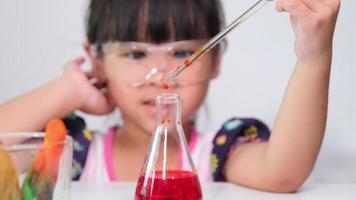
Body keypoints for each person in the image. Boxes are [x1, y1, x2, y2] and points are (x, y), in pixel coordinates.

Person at [0, 0, 340, 193]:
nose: (162, 75)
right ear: (98, 61)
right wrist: (67, 91)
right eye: (135, 54)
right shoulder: (75, 152)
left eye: (181, 55)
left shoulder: (219, 153)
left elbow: (282, 174)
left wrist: (313, 57)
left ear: (215, 60)